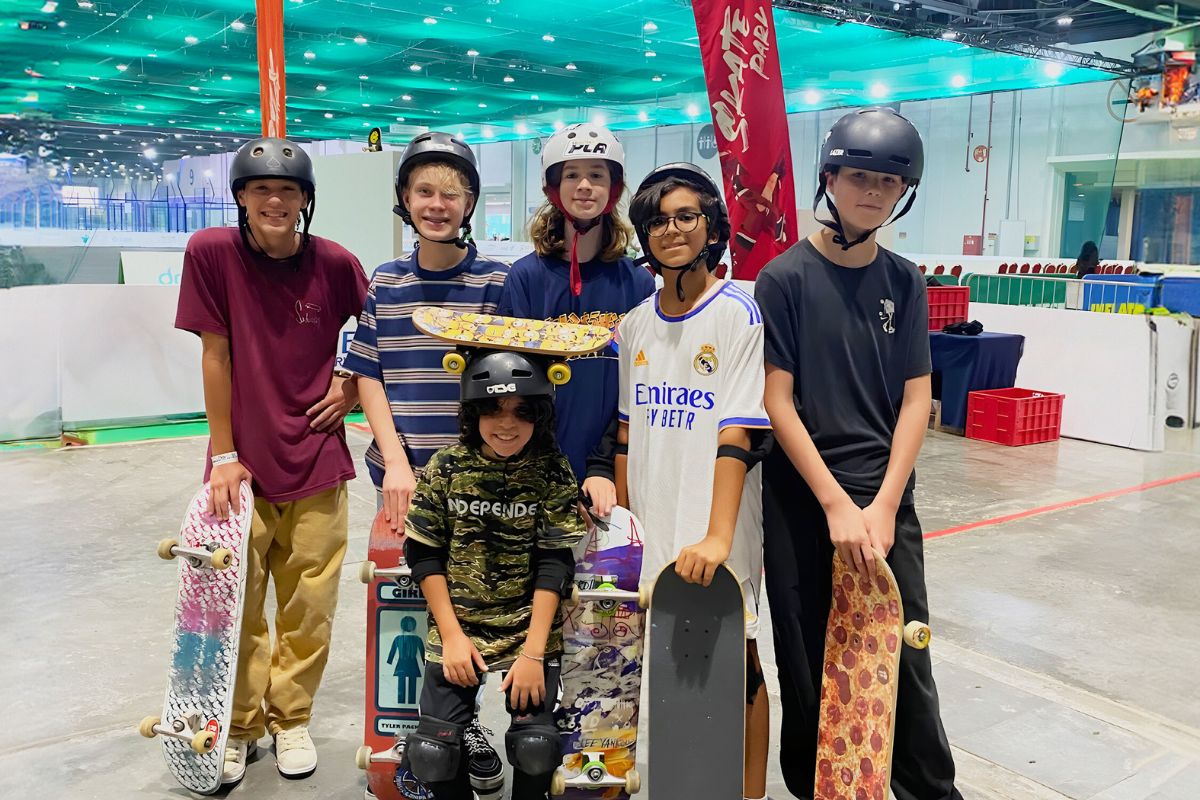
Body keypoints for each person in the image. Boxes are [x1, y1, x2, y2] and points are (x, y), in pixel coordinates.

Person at [754, 107, 963, 800]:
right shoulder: (783, 278)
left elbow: (915, 400)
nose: (872, 192)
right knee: (809, 654)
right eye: (859, 177)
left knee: (904, 652)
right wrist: (837, 505)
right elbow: (778, 401)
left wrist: (882, 504)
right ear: (831, 179)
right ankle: (822, 789)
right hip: (804, 499)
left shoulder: (905, 281)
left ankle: (927, 789)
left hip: (884, 498)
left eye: (887, 182)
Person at [174, 136, 368, 783]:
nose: (275, 201)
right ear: (240, 198)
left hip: (318, 463)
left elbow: (376, 332)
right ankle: (238, 727)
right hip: (241, 471)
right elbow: (214, 354)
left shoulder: (336, 263)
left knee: (307, 608)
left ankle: (291, 720)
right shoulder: (211, 253)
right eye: (261, 190)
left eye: (288, 191)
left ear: (306, 201)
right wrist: (224, 453)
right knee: (234, 605)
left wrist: (347, 381)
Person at [587, 162, 772, 800]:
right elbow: (627, 434)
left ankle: (747, 794)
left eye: (686, 216)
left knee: (738, 666)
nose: (672, 230)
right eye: (658, 220)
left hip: (719, 529)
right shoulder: (633, 325)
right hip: (654, 529)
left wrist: (718, 537)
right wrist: (626, 529)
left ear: (710, 227)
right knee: (667, 666)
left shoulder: (740, 312)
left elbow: (739, 433)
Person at [340, 130, 507, 798]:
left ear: (470, 202)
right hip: (404, 476)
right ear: (405, 201)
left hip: (475, 477)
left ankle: (457, 724)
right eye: (424, 192)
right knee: (416, 601)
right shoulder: (386, 280)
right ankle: (432, 728)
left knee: (475, 608)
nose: (437, 204)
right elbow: (370, 375)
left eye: (451, 193)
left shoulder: (497, 280)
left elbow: (504, 384)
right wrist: (401, 464)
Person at [400, 350, 586, 800]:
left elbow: (554, 563)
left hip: (528, 631)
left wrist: (534, 654)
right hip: (458, 628)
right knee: (432, 753)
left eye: (522, 413)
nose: (507, 425)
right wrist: (452, 637)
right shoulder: (446, 467)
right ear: (472, 413)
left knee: (538, 747)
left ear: (539, 417)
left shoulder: (550, 469)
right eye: (493, 411)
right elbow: (423, 554)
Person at [498, 122, 655, 483]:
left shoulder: (638, 283)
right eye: (572, 175)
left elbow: (640, 385)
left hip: (614, 466)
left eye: (596, 175)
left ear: (613, 188)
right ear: (554, 187)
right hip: (537, 465)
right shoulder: (525, 278)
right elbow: (514, 382)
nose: (585, 185)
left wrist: (605, 464)